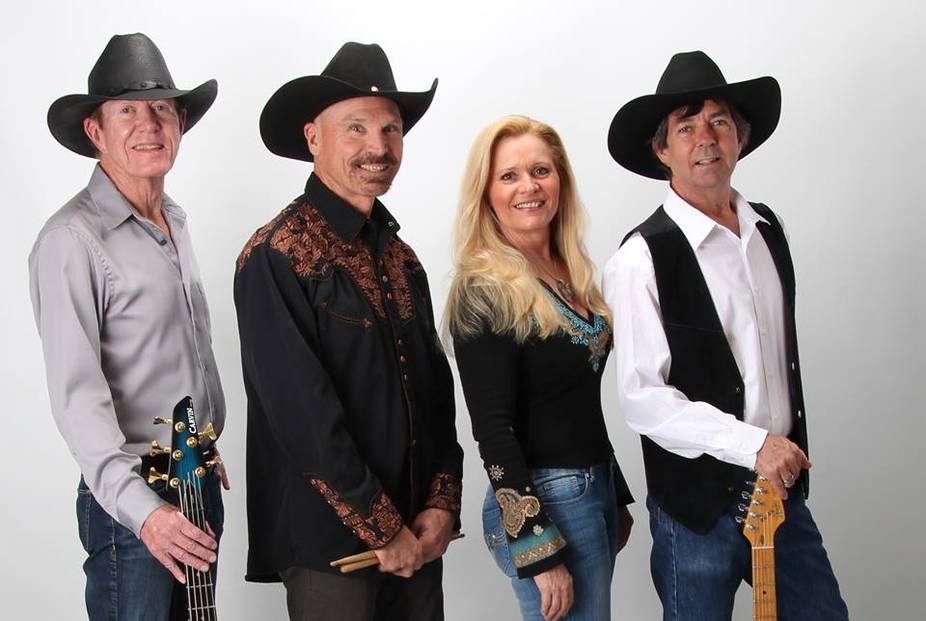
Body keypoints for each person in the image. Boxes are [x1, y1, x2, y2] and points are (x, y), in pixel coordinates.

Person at [603, 51, 849, 620]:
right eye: (686, 127)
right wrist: (752, 445)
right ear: (662, 151)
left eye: (719, 122)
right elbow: (642, 398)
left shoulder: (768, 230)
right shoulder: (640, 257)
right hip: (696, 510)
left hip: (780, 494)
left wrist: (772, 451)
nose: (706, 138)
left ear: (739, 137)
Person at [234, 42, 463, 620]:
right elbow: (303, 418)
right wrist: (383, 529)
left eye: (391, 129)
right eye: (356, 128)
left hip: (418, 538)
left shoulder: (403, 259)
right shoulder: (275, 255)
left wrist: (442, 503)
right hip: (332, 551)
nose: (378, 147)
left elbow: (437, 395)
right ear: (313, 137)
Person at [29, 33, 227, 620]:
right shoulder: (71, 240)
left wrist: (202, 443)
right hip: (135, 509)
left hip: (193, 479)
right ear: (95, 131)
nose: (149, 124)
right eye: (127, 112)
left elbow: (176, 354)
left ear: (181, 123)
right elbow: (77, 400)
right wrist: (145, 512)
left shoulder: (173, 221)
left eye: (162, 108)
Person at [447, 115, 634, 621]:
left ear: (560, 181)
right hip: (543, 502)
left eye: (540, 171)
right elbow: (492, 429)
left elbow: (575, 400)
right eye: (508, 176)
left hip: (589, 489)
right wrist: (536, 547)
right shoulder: (484, 288)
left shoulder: (570, 274)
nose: (528, 186)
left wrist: (614, 491)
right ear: (486, 193)